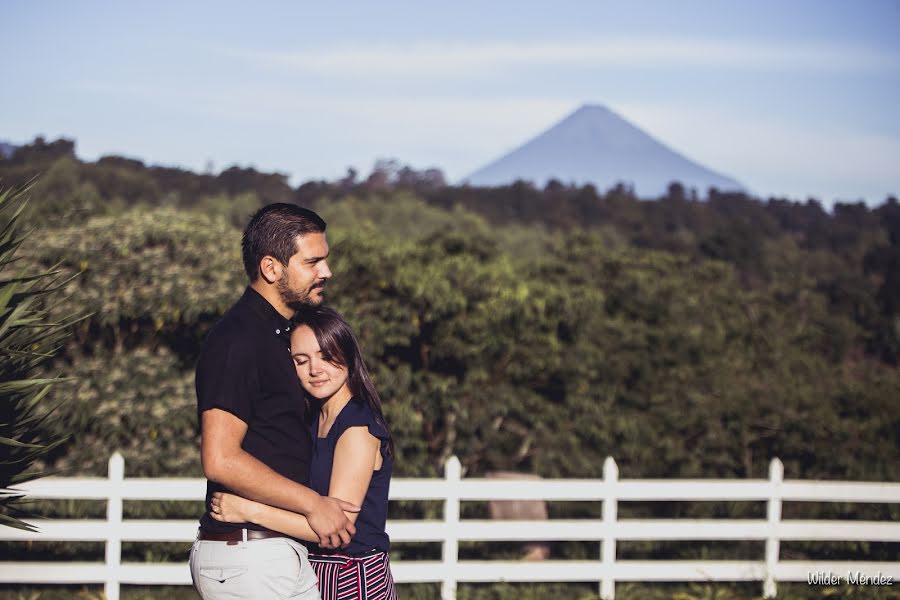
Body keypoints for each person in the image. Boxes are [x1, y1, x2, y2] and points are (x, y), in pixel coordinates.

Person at [190, 204, 359, 599]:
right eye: (313, 261)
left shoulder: (283, 335)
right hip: (251, 556)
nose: (326, 272)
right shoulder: (239, 338)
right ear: (271, 268)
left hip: (273, 552)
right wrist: (314, 504)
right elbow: (220, 458)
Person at [209, 305, 398, 600]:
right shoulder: (313, 420)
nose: (315, 369)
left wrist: (247, 510)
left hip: (353, 575)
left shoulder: (357, 428)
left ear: (346, 354)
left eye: (325, 355)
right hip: (315, 571)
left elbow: (336, 529)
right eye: (301, 360)